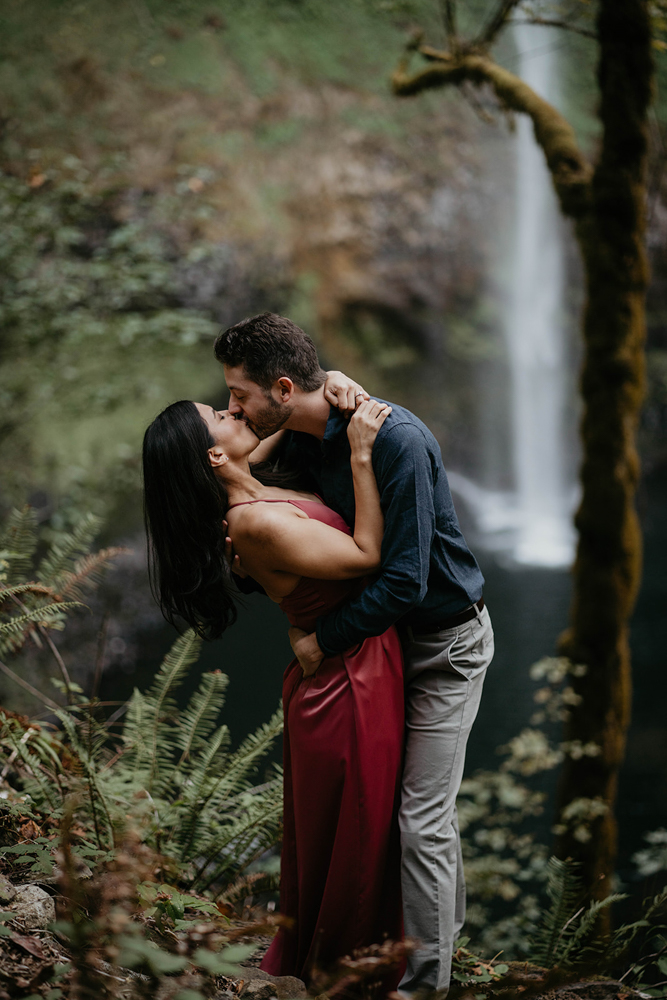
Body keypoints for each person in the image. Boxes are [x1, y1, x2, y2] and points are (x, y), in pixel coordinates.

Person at [214, 312, 495, 996]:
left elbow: (402, 578)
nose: (232, 408)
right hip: (387, 649)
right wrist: (314, 393)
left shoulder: (391, 437)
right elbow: (241, 471)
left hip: (444, 645)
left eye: (239, 396)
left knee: (419, 819)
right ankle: (426, 953)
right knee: (406, 815)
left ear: (281, 387)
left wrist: (320, 640)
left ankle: (425, 985)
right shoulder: (317, 434)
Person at [142, 393, 404, 987]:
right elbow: (367, 554)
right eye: (219, 415)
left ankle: (366, 965)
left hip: (354, 666)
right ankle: (348, 978)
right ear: (212, 454)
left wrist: (326, 381)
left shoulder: (251, 485)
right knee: (359, 840)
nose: (230, 410)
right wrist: (361, 456)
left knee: (368, 832)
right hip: (346, 687)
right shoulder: (252, 521)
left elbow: (267, 428)